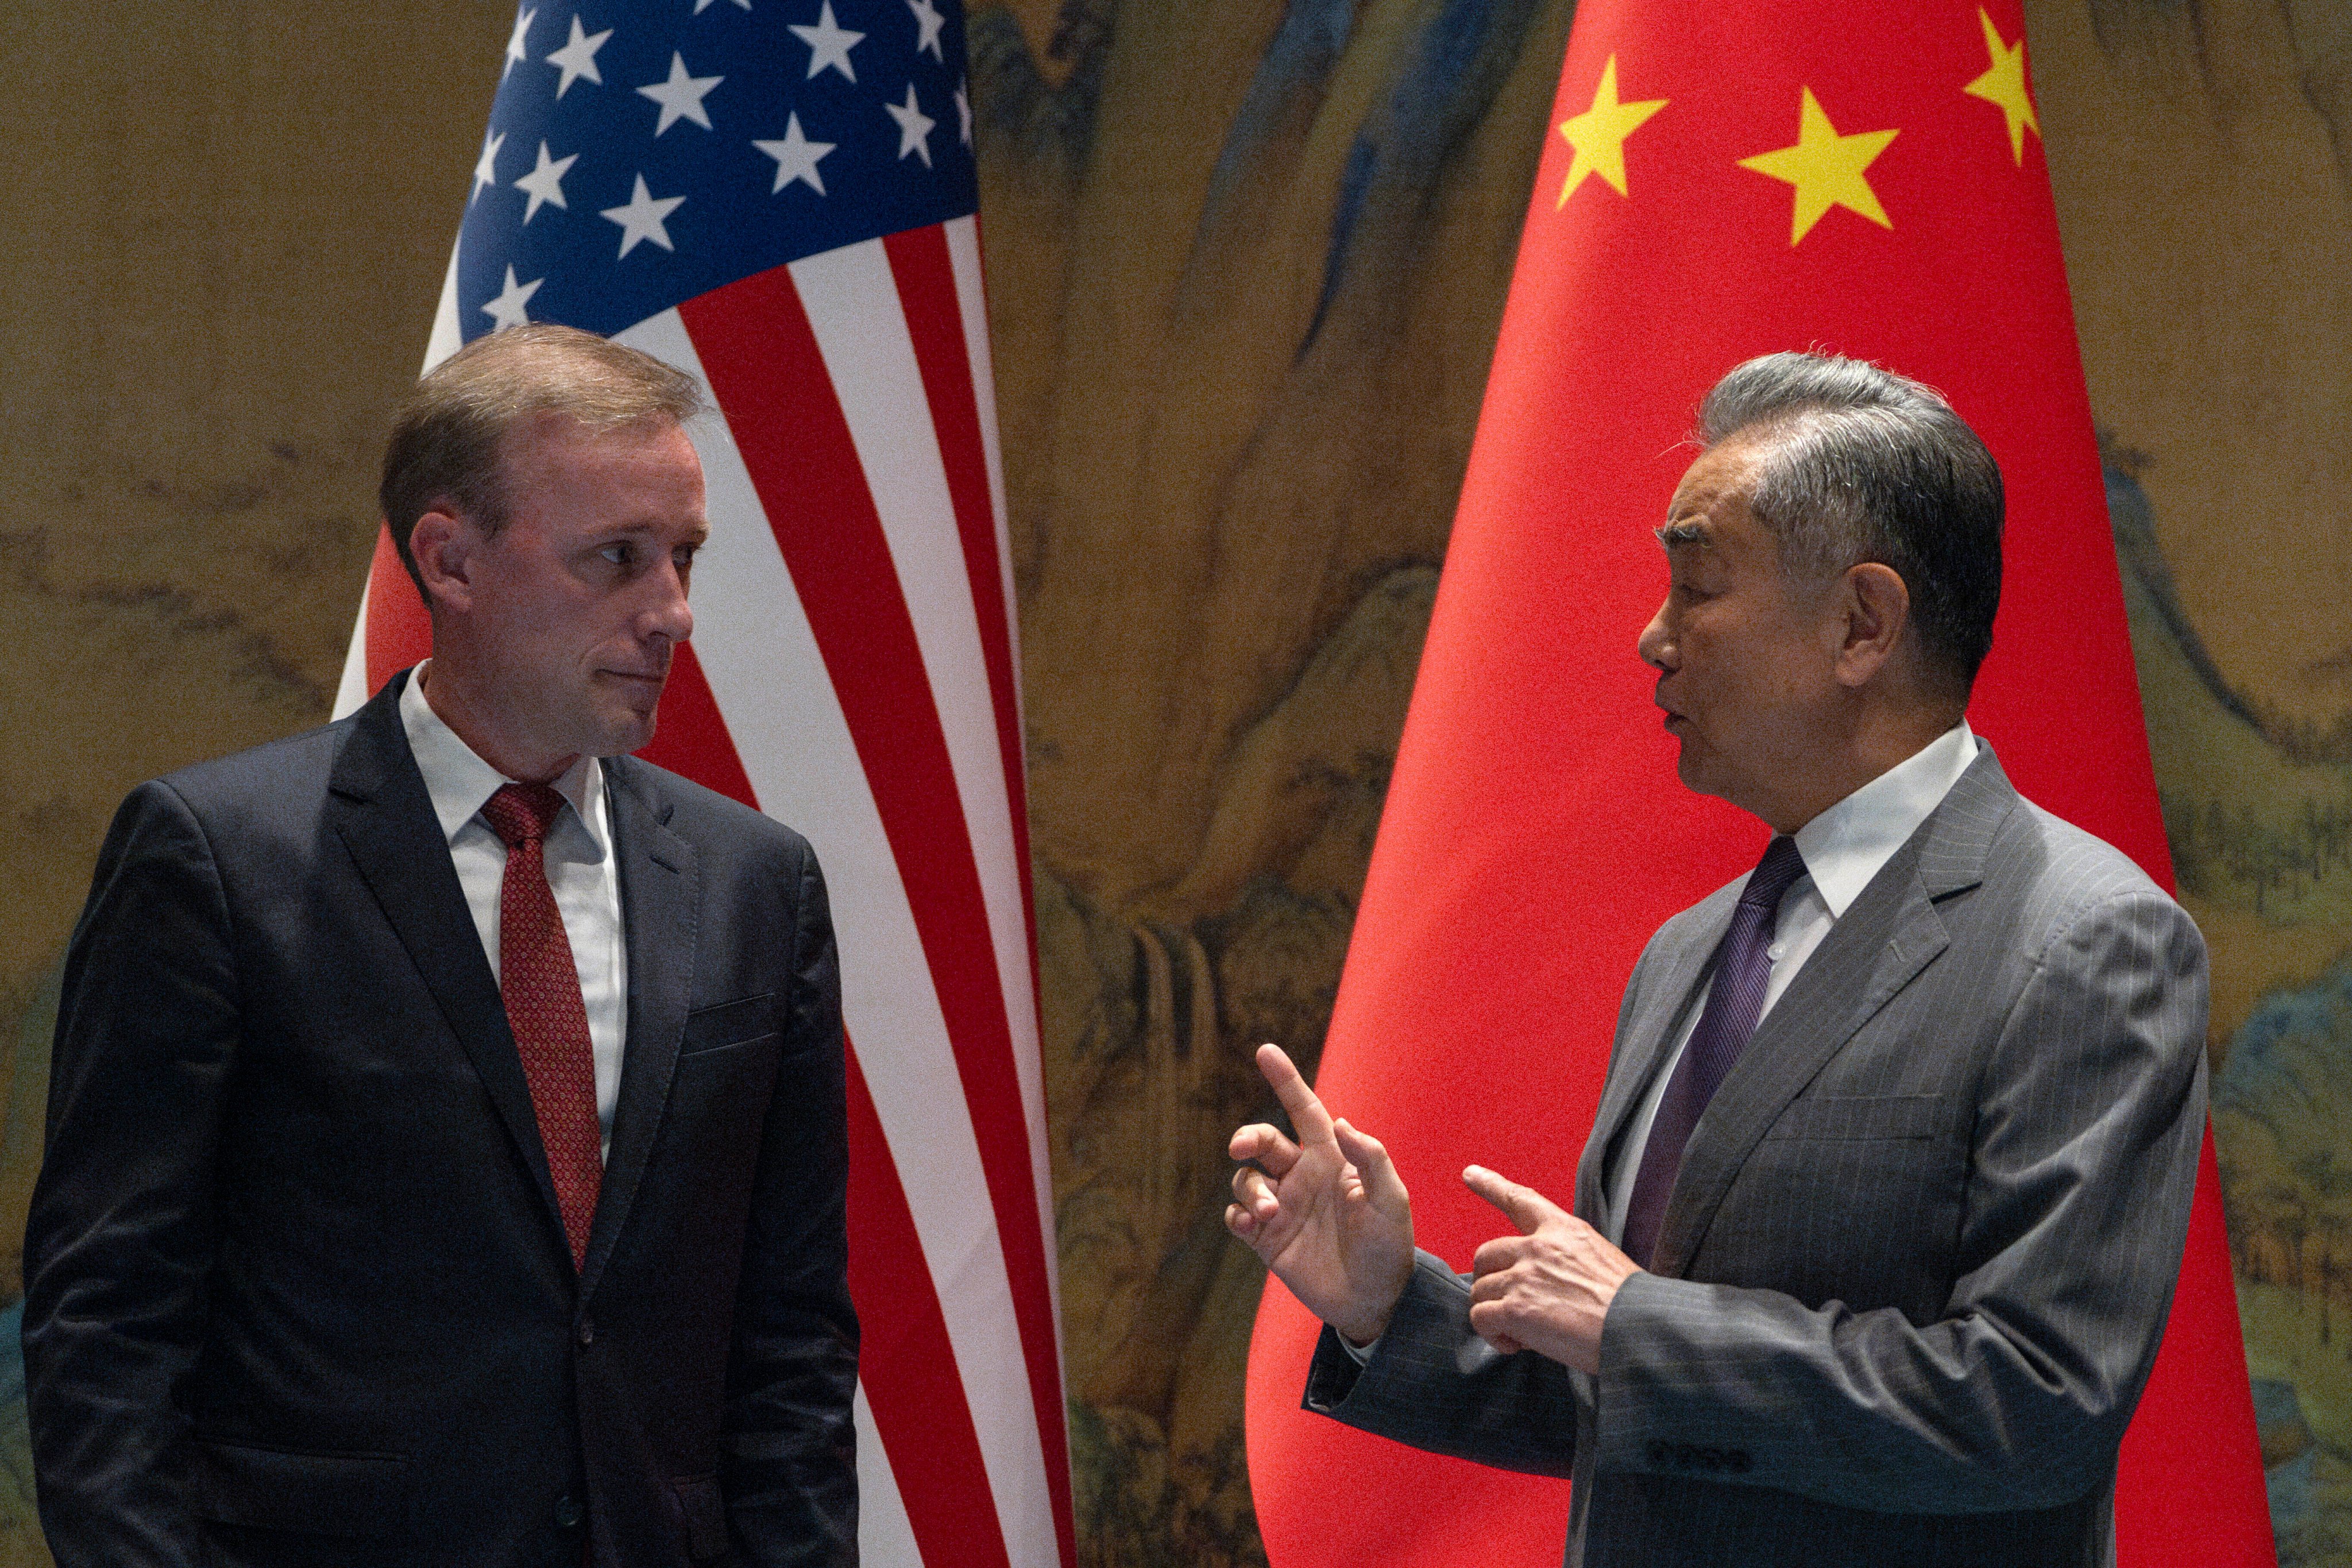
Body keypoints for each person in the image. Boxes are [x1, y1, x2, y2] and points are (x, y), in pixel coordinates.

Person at [1226, 351, 2208, 1566]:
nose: (1651, 638)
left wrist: (1637, 1323)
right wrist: (1389, 1306)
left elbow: (2034, 1403)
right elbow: (1640, 1395)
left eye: (1695, 585)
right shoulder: (1689, 951)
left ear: (1861, 623)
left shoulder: (2083, 941)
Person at [22, 324, 858, 1568]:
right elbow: (109, 1324)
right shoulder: (219, 857)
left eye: (680, 557)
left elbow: (788, 1340)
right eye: (616, 559)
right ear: (449, 559)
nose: (672, 612)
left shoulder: (755, 884)